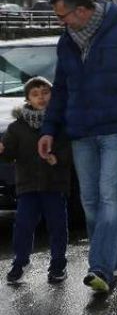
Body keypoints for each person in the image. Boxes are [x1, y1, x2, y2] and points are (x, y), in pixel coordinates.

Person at [41, 0, 117, 294]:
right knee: (90, 203)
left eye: (62, 16)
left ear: (82, 10)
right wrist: (49, 129)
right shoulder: (67, 42)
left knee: (109, 198)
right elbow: (61, 89)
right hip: (81, 132)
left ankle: (101, 267)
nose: (60, 22)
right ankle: (110, 260)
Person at [3, 77, 72, 285]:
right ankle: (20, 262)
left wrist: (56, 158)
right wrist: (3, 151)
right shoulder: (17, 127)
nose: (41, 97)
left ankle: (58, 264)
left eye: (45, 92)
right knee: (23, 225)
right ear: (27, 99)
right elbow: (8, 155)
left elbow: (69, 151)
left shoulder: (60, 123)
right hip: (27, 185)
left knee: (57, 225)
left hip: (54, 184)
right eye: (35, 94)